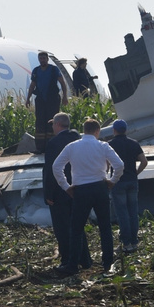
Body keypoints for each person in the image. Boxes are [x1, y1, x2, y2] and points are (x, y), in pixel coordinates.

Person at [52, 118, 123, 275]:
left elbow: (56, 167)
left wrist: (65, 186)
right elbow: (119, 165)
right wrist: (112, 181)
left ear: (84, 130)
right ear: (97, 131)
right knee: (105, 227)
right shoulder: (103, 146)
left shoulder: (72, 147)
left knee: (76, 228)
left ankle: (72, 265)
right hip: (100, 187)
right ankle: (108, 263)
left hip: (81, 190)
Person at [42, 112, 93, 273]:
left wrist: (48, 194)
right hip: (80, 187)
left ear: (57, 125)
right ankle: (85, 259)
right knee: (78, 226)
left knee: (63, 228)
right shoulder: (78, 138)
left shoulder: (54, 143)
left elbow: (51, 170)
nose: (52, 127)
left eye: (53, 125)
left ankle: (68, 261)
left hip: (61, 191)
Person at [108, 119, 148, 253]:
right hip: (132, 181)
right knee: (133, 212)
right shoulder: (134, 143)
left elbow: (106, 165)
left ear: (114, 130)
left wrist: (108, 177)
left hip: (118, 182)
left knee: (122, 213)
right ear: (126, 130)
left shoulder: (110, 145)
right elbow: (144, 162)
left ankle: (126, 243)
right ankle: (134, 241)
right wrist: (136, 173)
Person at [25, 51, 68, 153]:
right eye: (40, 59)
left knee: (52, 121)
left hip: (52, 98)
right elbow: (32, 85)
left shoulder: (53, 69)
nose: (42, 60)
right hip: (40, 99)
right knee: (40, 122)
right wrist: (28, 98)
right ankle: (40, 147)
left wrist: (65, 97)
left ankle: (52, 146)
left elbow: (62, 83)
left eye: (44, 58)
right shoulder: (36, 71)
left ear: (47, 59)